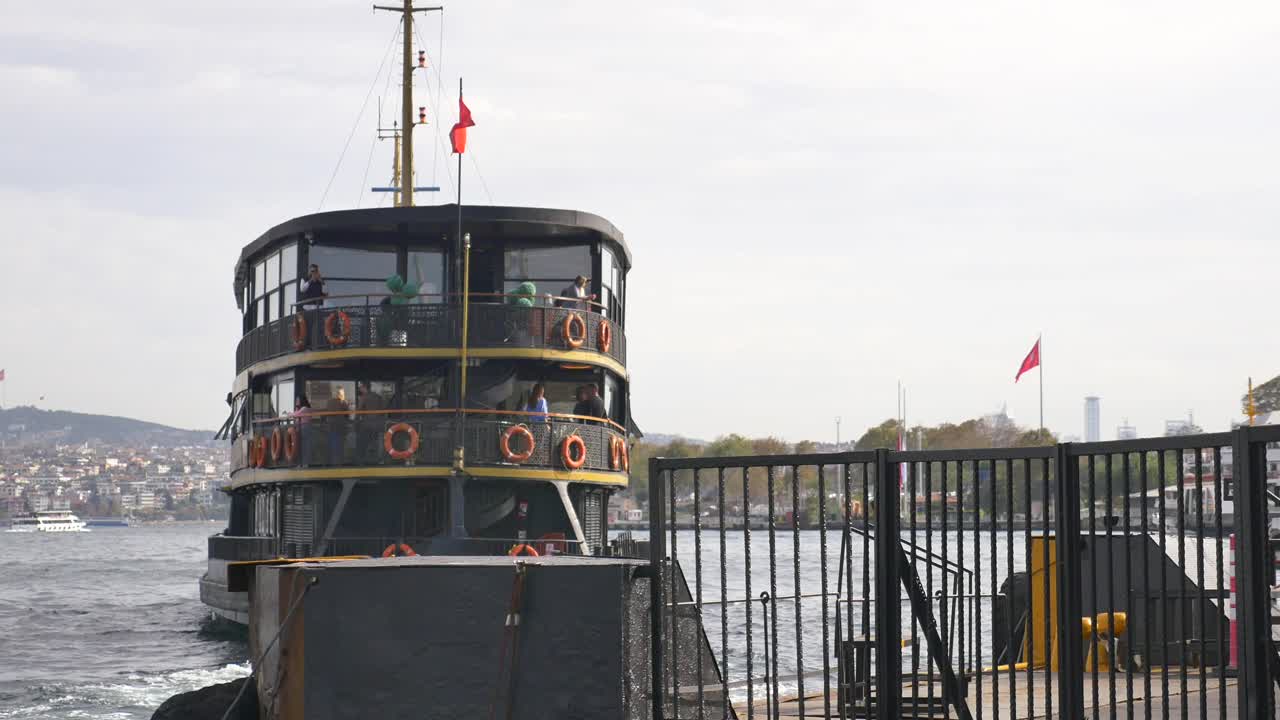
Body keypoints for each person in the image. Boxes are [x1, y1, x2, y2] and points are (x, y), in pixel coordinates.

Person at [327, 387, 350, 464]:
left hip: (332, 427)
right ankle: (339, 462)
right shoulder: (342, 402)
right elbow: (347, 414)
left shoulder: (329, 401)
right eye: (342, 393)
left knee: (334, 446)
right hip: (340, 427)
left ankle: (334, 462)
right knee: (340, 447)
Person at [293, 396, 313, 465]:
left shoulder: (304, 408)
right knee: (304, 446)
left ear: (302, 400)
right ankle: (304, 462)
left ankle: (305, 462)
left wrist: (288, 413)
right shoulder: (304, 408)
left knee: (304, 446)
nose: (297, 401)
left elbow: (296, 415)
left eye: (298, 400)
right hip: (304, 428)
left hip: (304, 428)